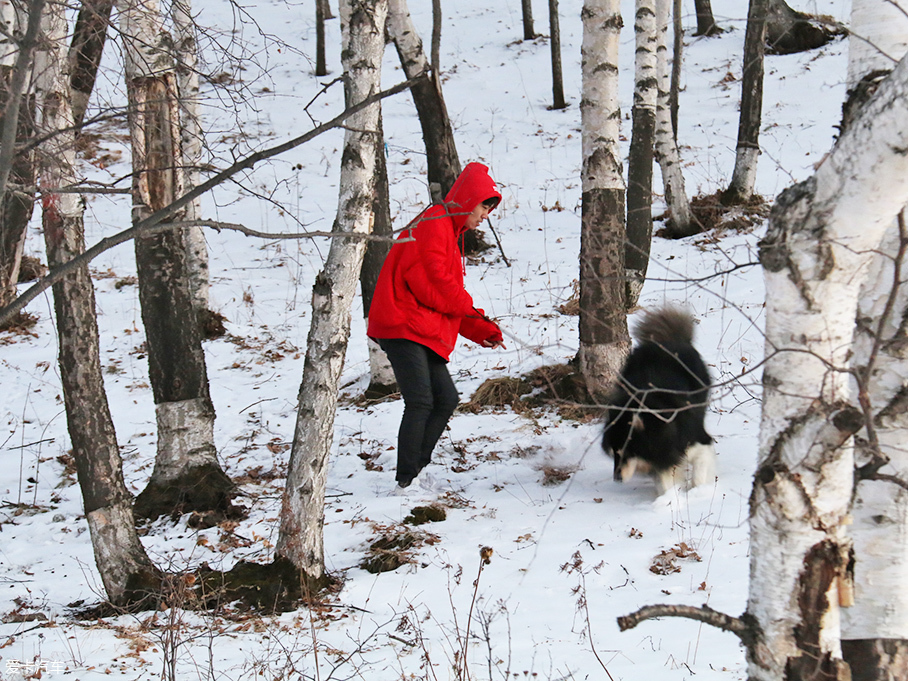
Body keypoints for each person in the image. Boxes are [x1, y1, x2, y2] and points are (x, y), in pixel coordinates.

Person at [368, 162, 506, 489]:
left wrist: (482, 330)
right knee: (421, 401)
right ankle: (405, 480)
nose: (485, 214)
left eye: (489, 208)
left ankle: (416, 470)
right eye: (483, 205)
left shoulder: (448, 231)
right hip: (402, 325)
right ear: (469, 198)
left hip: (422, 330)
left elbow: (448, 304)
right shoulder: (434, 222)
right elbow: (434, 283)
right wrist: (475, 314)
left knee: (446, 399)